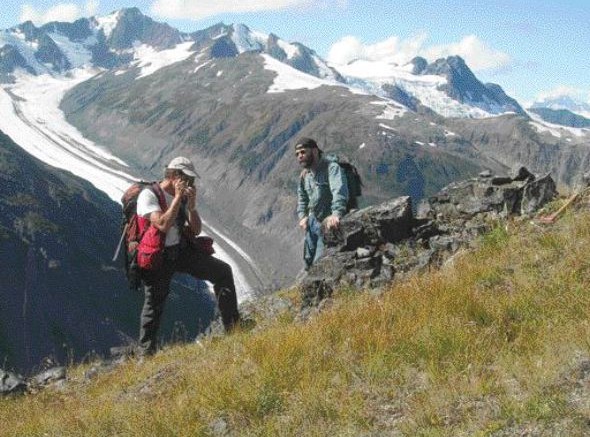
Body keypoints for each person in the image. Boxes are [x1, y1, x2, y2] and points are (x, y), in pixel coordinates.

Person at [136, 156, 241, 355]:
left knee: (222, 272)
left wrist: (191, 207)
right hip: (158, 256)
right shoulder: (148, 196)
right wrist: (176, 198)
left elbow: (195, 230)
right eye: (188, 178)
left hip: (180, 250)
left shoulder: (182, 197)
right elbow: (163, 224)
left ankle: (233, 328)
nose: (191, 183)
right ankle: (146, 352)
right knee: (154, 303)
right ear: (174, 175)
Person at [295, 137, 349, 269]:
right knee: (308, 259)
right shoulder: (305, 175)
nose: (300, 156)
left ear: (314, 151)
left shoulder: (331, 168)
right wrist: (302, 216)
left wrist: (336, 213)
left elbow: (339, 191)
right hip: (312, 222)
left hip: (327, 223)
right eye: (297, 154)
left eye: (303, 152)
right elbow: (302, 197)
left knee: (320, 262)